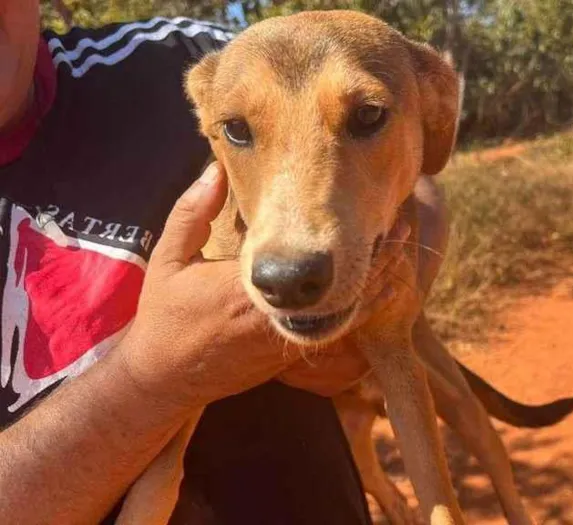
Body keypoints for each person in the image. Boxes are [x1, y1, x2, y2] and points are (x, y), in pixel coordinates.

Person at [0, 2, 440, 523]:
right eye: (237, 130)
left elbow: (422, 174)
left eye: (365, 117)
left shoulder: (190, 58)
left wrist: (380, 300)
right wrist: (154, 378)